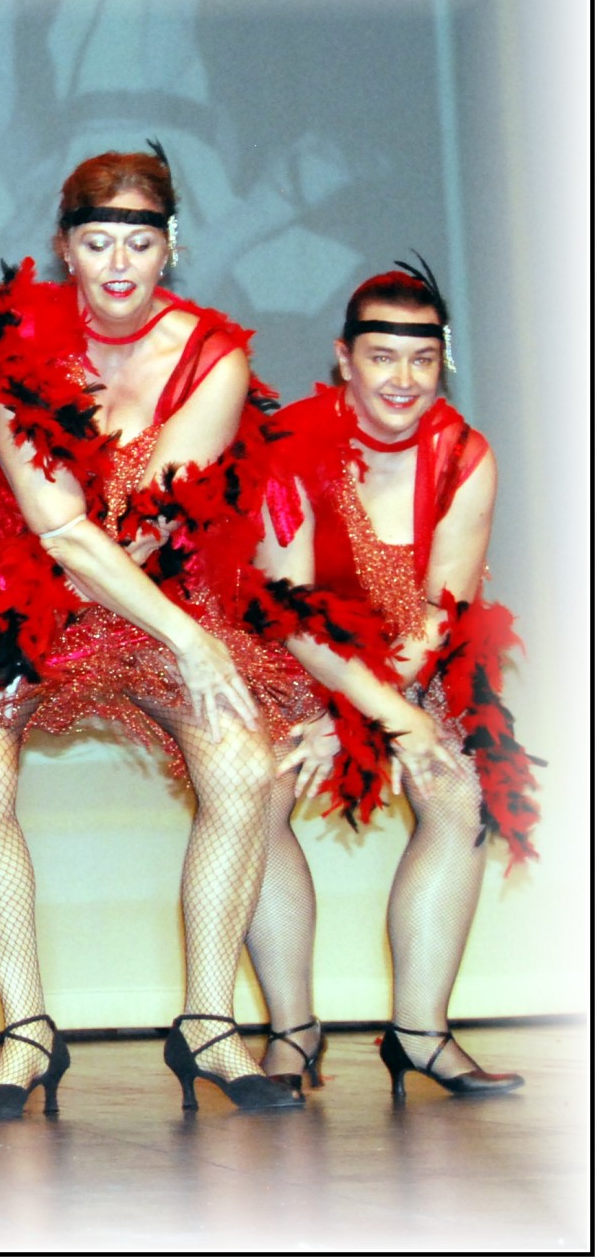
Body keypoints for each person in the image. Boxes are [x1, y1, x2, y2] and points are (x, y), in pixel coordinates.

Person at [0, 147, 307, 1118]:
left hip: (150, 589)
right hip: (10, 586)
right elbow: (62, 530)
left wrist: (190, 638)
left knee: (245, 766)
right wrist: (24, 639)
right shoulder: (10, 346)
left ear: (171, 247)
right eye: (98, 240)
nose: (119, 262)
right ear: (64, 246)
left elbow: (144, 528)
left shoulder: (213, 357)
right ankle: (27, 1034)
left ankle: (209, 1024)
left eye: (139, 242)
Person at [244, 262, 536, 1098]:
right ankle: (292, 1034)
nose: (403, 379)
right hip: (298, 652)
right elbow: (290, 611)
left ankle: (419, 1033)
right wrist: (362, 710)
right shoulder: (288, 444)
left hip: (411, 660)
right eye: (381, 357)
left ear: (443, 360)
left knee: (460, 791)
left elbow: (442, 610)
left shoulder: (466, 455)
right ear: (344, 359)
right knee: (252, 788)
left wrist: (373, 715)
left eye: (422, 358)